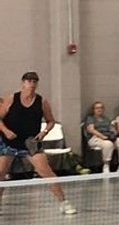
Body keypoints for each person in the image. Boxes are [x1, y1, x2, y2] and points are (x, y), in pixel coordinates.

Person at [0, 72, 76, 214]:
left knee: (46, 172)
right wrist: (5, 131)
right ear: (23, 83)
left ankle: (64, 203)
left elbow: (51, 121)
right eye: (29, 81)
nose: (32, 84)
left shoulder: (41, 102)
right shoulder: (11, 99)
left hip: (30, 144)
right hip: (9, 143)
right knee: (0, 173)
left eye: (34, 81)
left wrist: (44, 132)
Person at [84, 101, 119, 172]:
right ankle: (106, 165)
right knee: (108, 144)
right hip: (95, 138)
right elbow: (91, 130)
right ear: (93, 110)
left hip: (108, 136)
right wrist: (102, 136)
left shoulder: (106, 118)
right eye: (97, 108)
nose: (99, 110)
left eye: (101, 108)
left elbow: (111, 128)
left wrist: (114, 133)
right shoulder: (90, 118)